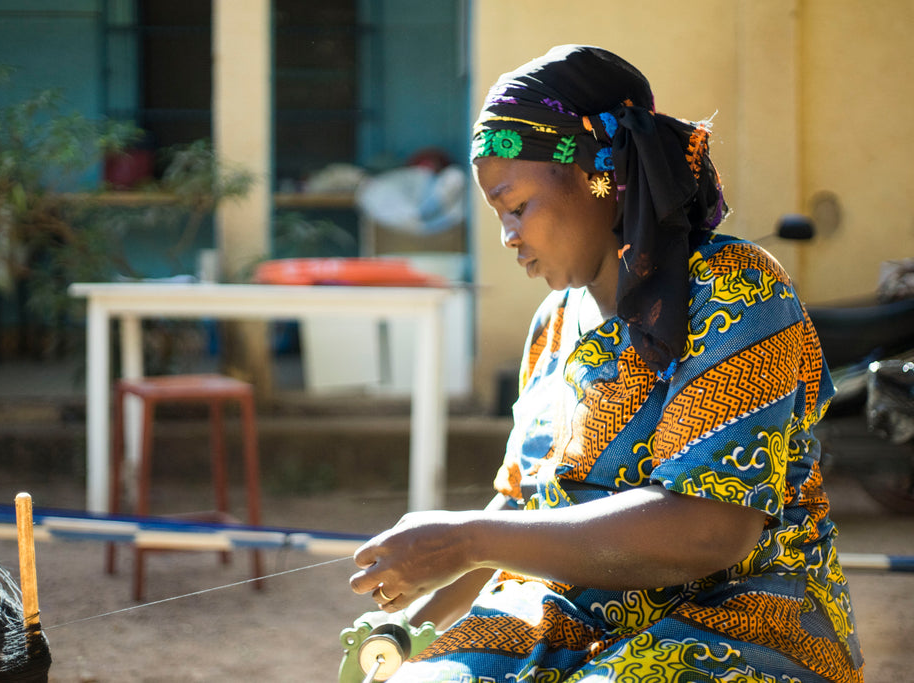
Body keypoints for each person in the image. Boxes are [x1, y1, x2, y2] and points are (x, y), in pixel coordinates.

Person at [349, 45, 864, 682]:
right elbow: (521, 511)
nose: (509, 236)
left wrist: (465, 538)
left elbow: (709, 531)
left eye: (517, 207)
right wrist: (409, 622)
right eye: (499, 217)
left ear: (604, 177)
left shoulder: (734, 290)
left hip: (744, 621)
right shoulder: (555, 324)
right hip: (575, 615)